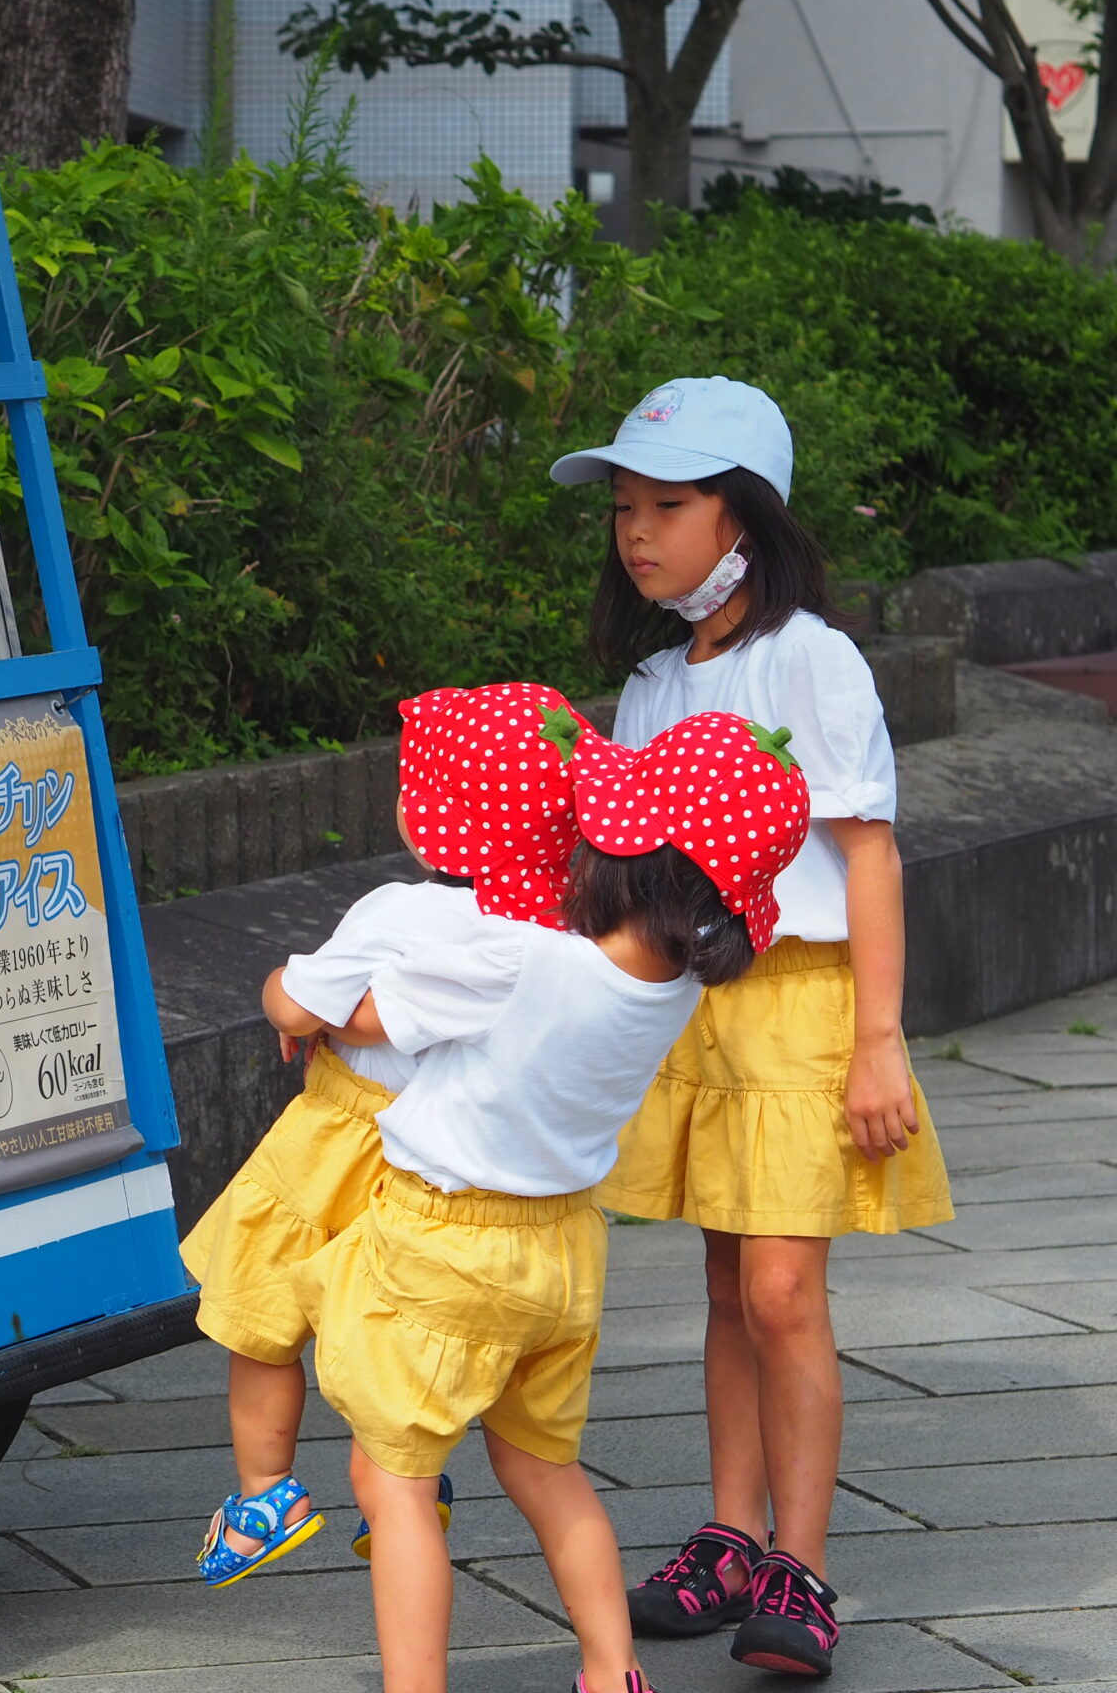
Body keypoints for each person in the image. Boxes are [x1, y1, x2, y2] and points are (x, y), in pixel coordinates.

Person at [549, 378, 954, 1676]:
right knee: (725, 1285)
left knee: (783, 1291)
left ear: (748, 519)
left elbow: (870, 852)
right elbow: (631, 883)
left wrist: (879, 1035)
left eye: (669, 504)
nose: (637, 531)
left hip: (802, 1010)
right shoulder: (655, 680)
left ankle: (804, 1565)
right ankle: (730, 1537)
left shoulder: (811, 658)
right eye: (625, 508)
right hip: (697, 1012)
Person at [296, 712, 813, 1693]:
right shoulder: (670, 992)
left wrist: (297, 998)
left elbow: (357, 1017)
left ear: (626, 851)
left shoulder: (520, 959)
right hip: (563, 1257)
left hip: (447, 1244)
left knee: (392, 1481)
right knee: (545, 1470)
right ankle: (612, 1671)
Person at [182, 681, 608, 1587]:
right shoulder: (561, 929)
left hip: (339, 1141)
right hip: (444, 1171)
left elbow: (296, 1000)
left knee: (264, 1303)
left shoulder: (398, 913)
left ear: (429, 815)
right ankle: (415, 1479)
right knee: (406, 1330)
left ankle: (264, 1491)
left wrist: (287, 1007)